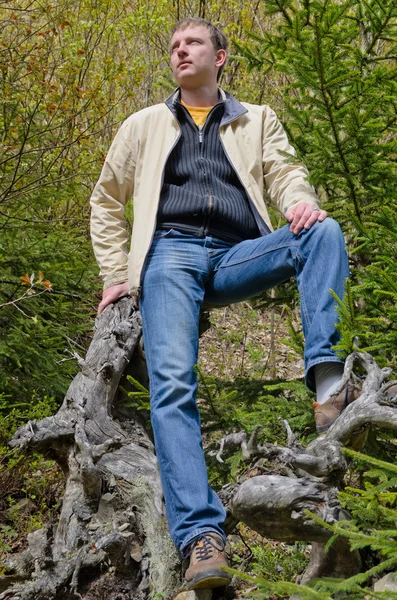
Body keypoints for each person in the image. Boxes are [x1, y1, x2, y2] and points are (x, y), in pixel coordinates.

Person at [90, 17, 356, 590]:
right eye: (173, 46)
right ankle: (202, 539)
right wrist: (115, 275)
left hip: (237, 253)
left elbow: (285, 172)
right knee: (171, 384)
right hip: (169, 257)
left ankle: (329, 386)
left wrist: (303, 204)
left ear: (221, 56)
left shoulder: (256, 119)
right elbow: (107, 201)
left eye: (191, 43)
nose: (179, 51)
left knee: (325, 233)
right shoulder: (144, 124)